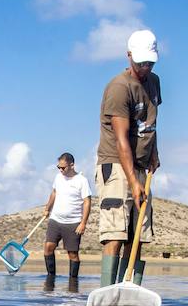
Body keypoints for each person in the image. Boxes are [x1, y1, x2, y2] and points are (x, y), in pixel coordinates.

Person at [95, 28, 160, 287]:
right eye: (141, 62)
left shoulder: (154, 82)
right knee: (116, 235)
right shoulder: (119, 88)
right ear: (129, 55)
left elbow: (151, 122)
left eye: (150, 62)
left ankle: (130, 290)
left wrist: (154, 151)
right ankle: (108, 293)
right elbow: (122, 140)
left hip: (143, 165)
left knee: (138, 235)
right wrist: (133, 181)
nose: (145, 67)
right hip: (117, 164)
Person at [42, 152, 92, 285]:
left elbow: (87, 201)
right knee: (48, 247)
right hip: (56, 220)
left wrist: (83, 223)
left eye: (63, 168)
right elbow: (54, 193)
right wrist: (48, 208)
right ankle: (50, 278)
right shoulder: (58, 178)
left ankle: (73, 282)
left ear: (72, 165)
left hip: (73, 222)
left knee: (72, 254)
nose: (60, 170)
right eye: (58, 167)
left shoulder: (82, 180)